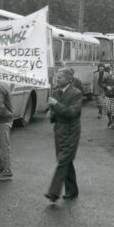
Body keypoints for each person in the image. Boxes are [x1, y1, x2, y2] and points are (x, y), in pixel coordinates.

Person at [45, 68, 82, 202]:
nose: (57, 79)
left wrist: (56, 105)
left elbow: (72, 113)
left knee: (63, 160)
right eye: (56, 77)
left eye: (60, 77)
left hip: (71, 130)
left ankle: (53, 192)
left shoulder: (76, 93)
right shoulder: (55, 92)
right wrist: (51, 114)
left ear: (68, 79)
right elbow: (55, 113)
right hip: (59, 130)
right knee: (66, 160)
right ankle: (72, 191)